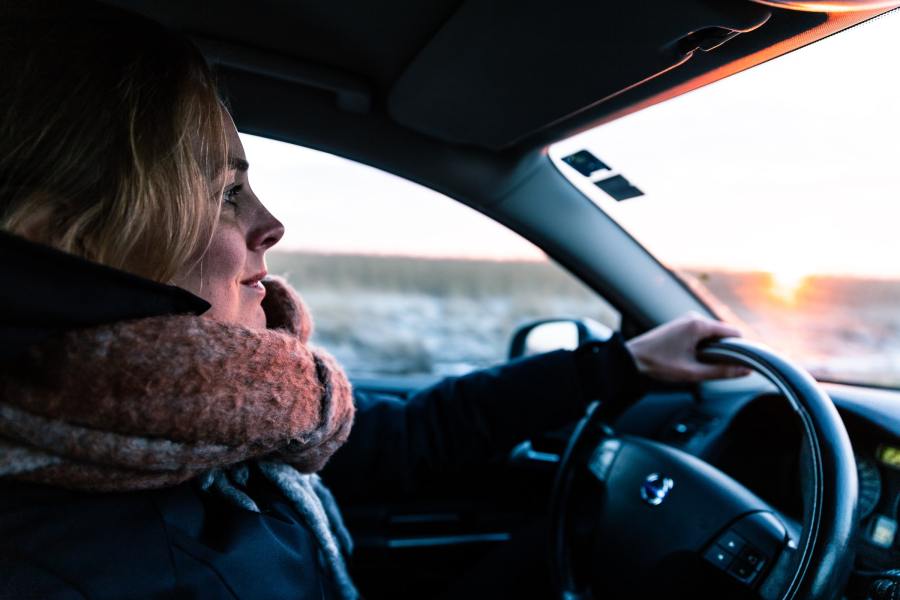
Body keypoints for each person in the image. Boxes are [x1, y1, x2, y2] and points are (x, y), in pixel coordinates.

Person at [0, 4, 749, 599]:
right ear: (61, 242)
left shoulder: (204, 423)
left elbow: (405, 440)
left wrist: (618, 366)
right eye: (226, 192)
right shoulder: (74, 567)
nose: (271, 224)